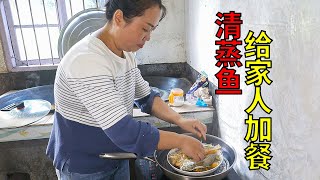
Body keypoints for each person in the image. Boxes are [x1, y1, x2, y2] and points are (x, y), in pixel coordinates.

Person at [46, 0, 207, 179]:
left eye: (152, 30)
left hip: (117, 156)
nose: (148, 37)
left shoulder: (126, 53)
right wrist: (180, 140)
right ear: (119, 18)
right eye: (145, 29)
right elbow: (123, 131)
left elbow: (146, 96)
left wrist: (180, 120)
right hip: (84, 167)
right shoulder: (86, 60)